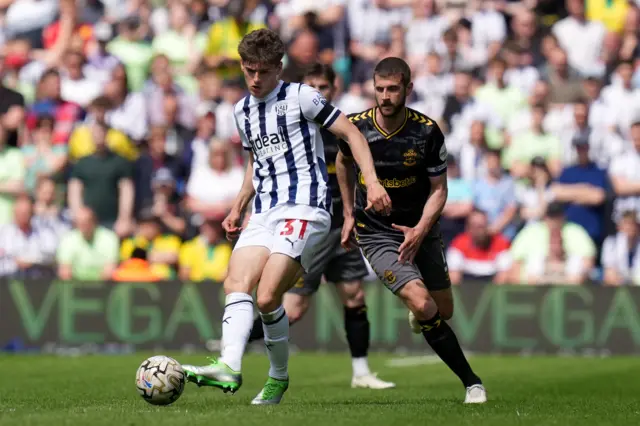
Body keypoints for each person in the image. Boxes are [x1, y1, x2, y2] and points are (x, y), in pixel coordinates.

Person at [182, 29, 390, 405]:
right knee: (236, 282)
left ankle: (277, 377)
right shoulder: (241, 110)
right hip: (264, 211)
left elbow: (353, 135)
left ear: (278, 68)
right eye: (249, 71)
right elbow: (255, 162)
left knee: (268, 295)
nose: (256, 79)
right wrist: (238, 205)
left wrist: (372, 183)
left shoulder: (302, 96)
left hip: (306, 209)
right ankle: (230, 365)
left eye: (263, 71)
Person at [335, 57, 486, 404]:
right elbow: (343, 161)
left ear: (408, 89)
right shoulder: (356, 127)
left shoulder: (426, 131)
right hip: (375, 232)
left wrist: (420, 229)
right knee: (422, 302)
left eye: (392, 89)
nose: (385, 96)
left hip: (420, 228)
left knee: (442, 309)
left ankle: (421, 310)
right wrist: (347, 213)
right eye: (379, 89)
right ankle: (472, 383)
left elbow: (440, 190)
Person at [246, 63, 395, 390]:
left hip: (344, 227)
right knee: (294, 308)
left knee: (355, 297)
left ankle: (361, 372)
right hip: (308, 230)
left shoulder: (344, 132)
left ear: (334, 89)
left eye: (323, 87)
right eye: (311, 86)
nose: (317, 92)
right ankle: (237, 338)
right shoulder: (294, 133)